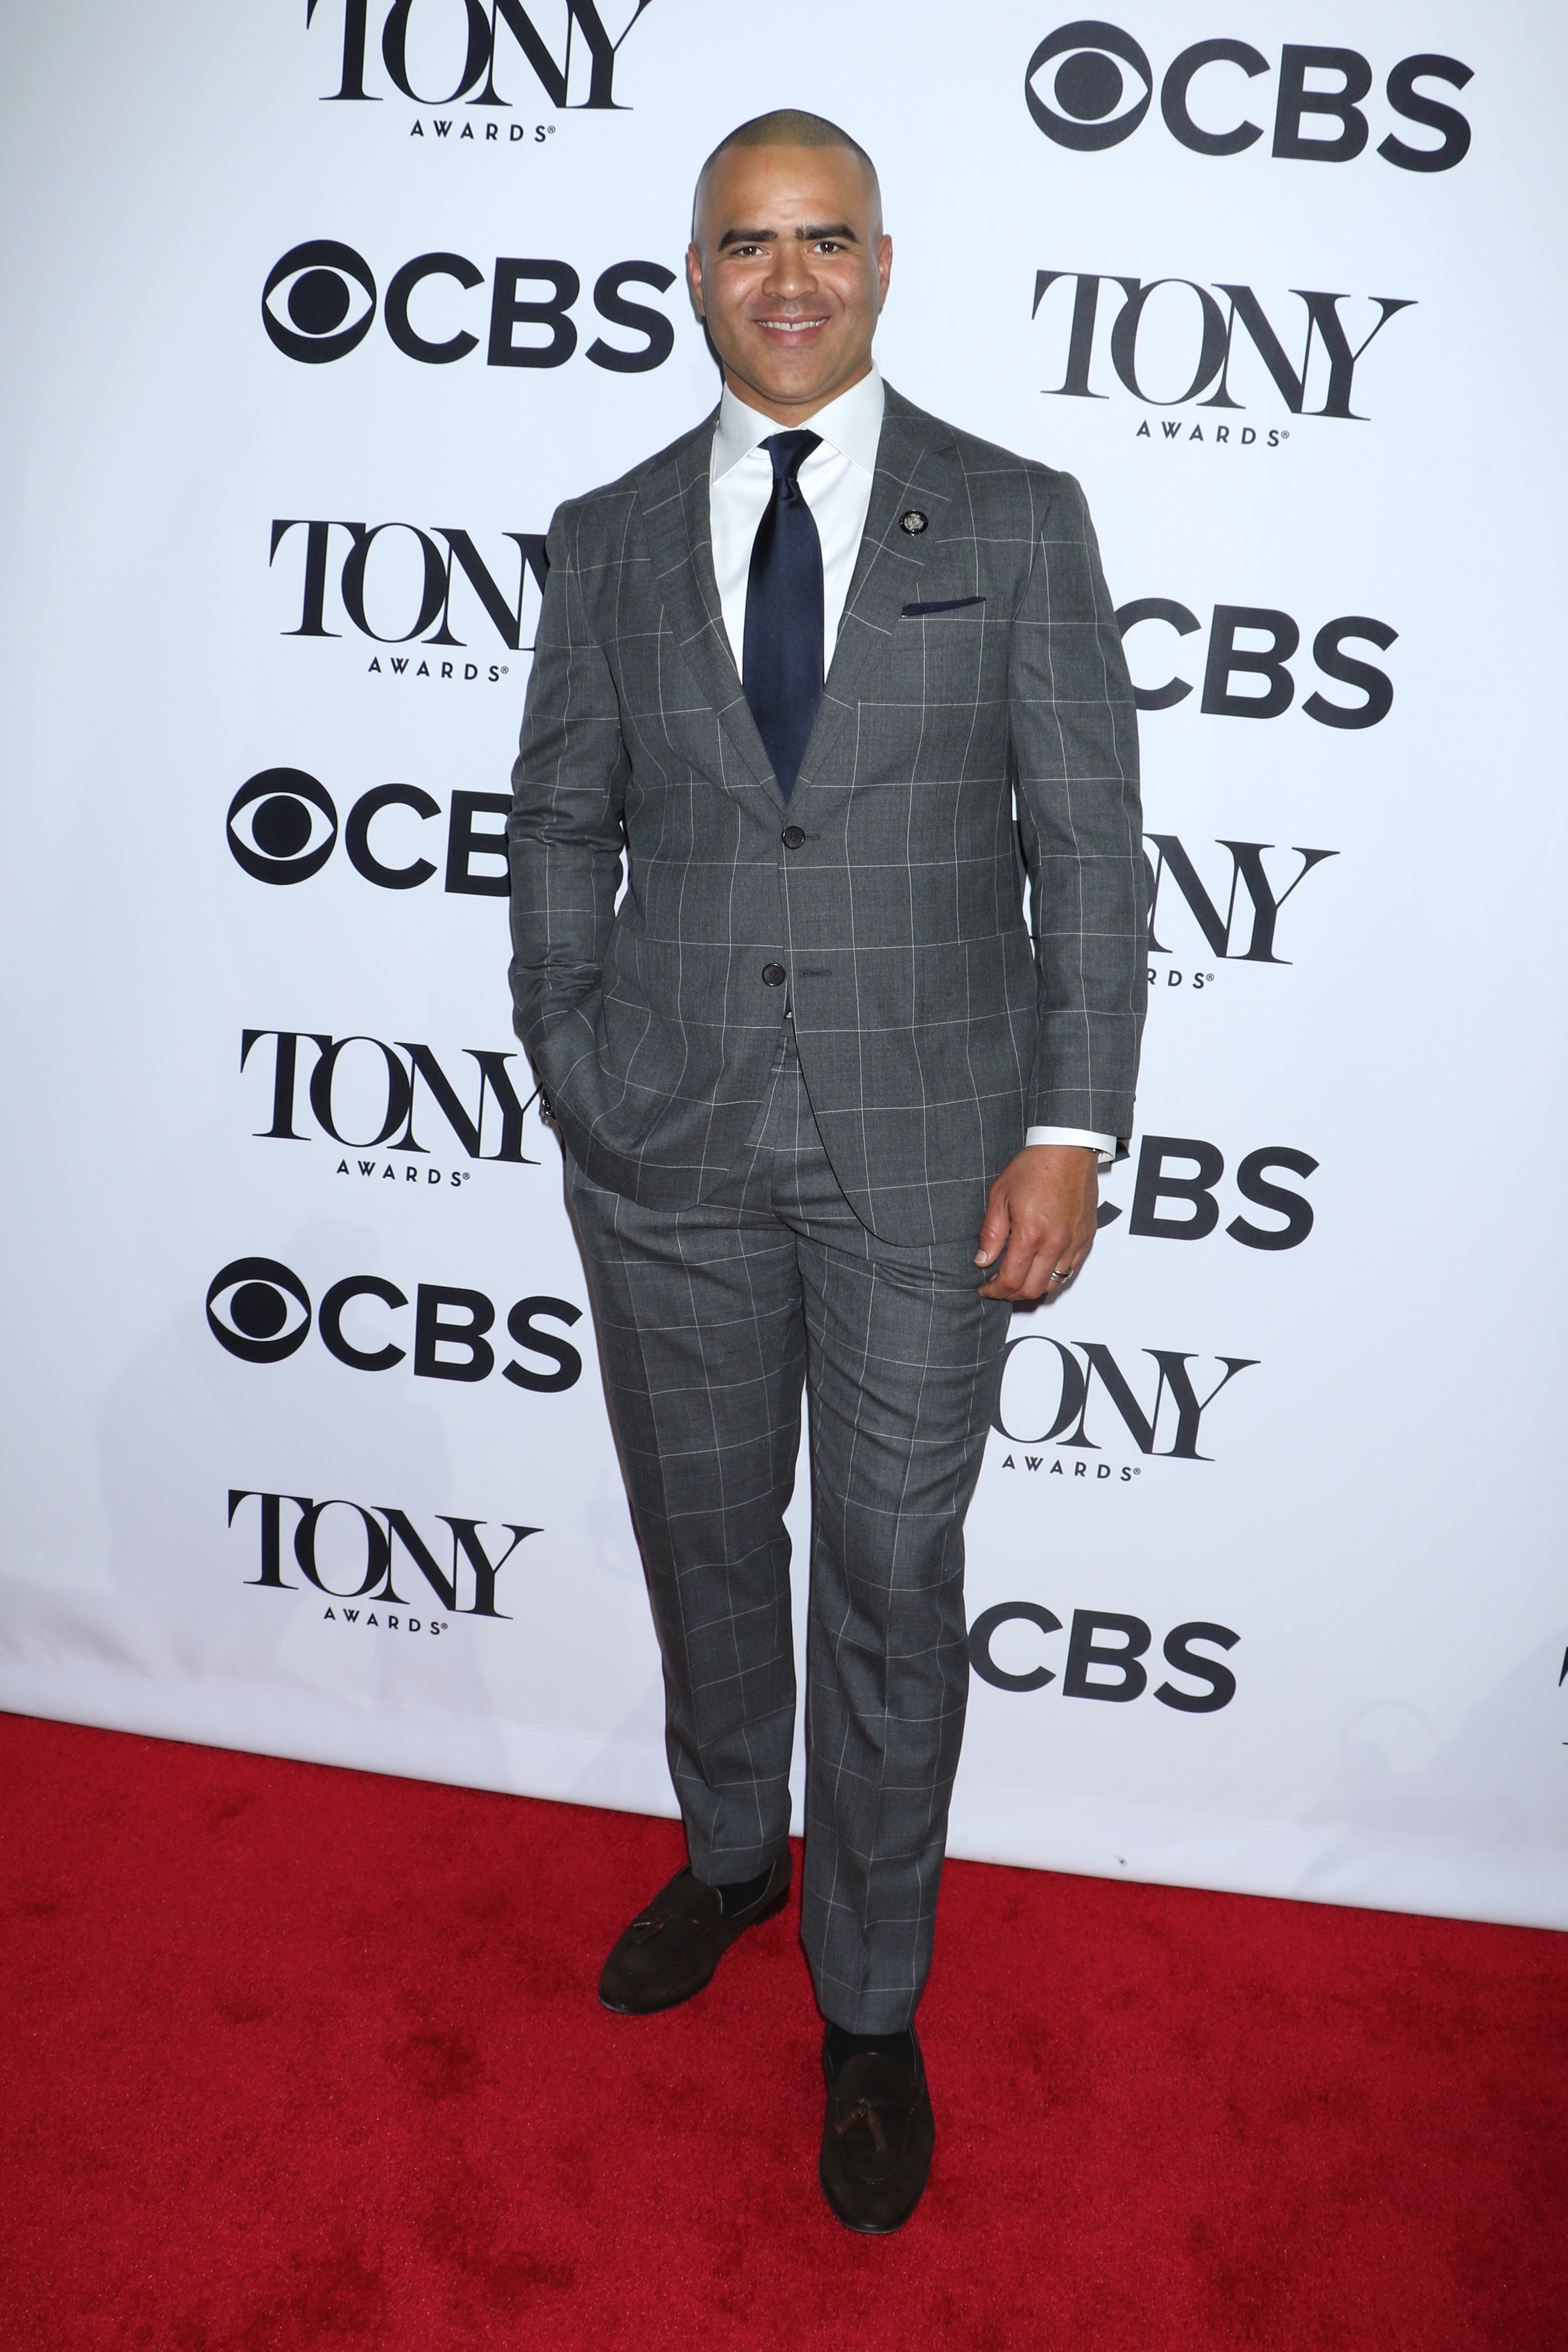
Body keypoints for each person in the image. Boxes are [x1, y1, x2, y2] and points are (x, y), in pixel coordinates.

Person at [508, 108, 1146, 2233]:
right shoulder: (601, 536)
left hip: (934, 1152)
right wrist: (575, 1058)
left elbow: (1089, 853)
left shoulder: (1020, 515)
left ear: (885, 261)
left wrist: (1067, 1130)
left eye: (826, 238)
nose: (788, 276)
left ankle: (869, 2004)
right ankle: (722, 1851)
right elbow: (555, 827)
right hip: (663, 1138)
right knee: (703, 1534)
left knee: (887, 1573)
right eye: (744, 242)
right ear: (691, 272)